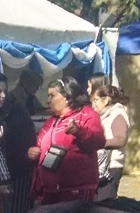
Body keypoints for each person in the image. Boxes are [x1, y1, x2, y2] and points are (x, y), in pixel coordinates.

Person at [28, 77, 105, 205]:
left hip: (76, 190)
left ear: (66, 97)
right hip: (50, 191)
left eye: (51, 96)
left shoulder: (86, 115)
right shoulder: (51, 122)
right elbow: (40, 147)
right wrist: (32, 152)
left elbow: (99, 142)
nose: (48, 101)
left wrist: (80, 131)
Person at [0, 70, 44, 213]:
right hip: (17, 158)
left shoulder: (29, 100)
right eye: (36, 84)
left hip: (21, 159)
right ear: (25, 82)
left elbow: (40, 111)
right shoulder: (13, 99)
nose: (37, 87)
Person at [92, 84, 130, 200]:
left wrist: (97, 142)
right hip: (101, 167)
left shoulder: (118, 114)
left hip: (111, 168)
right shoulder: (106, 115)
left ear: (106, 100)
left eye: (96, 100)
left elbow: (120, 139)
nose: (94, 104)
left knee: (106, 202)